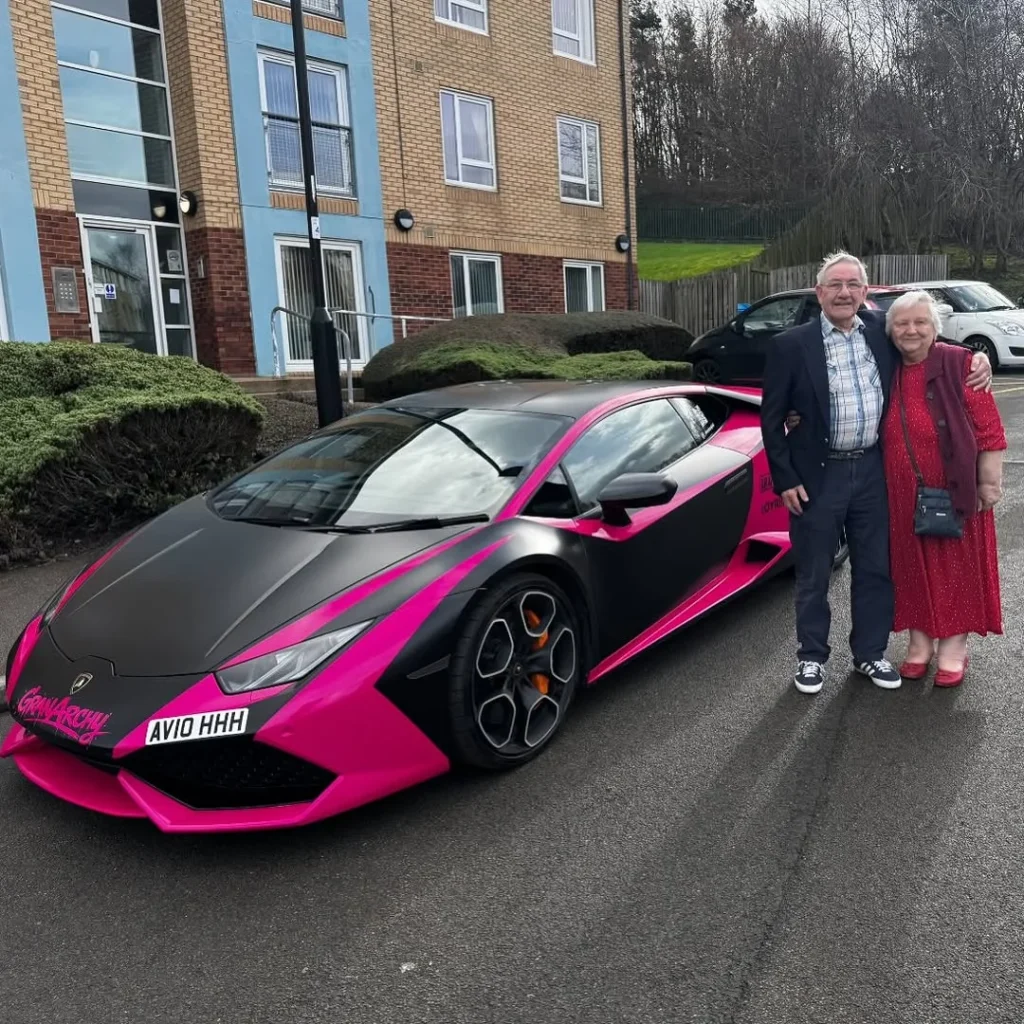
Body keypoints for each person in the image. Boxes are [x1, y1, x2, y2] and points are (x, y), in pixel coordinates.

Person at [760, 252, 992, 695]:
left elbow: (924, 341)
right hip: (816, 476)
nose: (844, 292)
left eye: (853, 284)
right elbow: (771, 420)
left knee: (875, 569)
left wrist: (974, 357)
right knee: (813, 572)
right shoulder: (790, 345)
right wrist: (786, 477)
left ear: (866, 293)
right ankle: (811, 658)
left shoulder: (882, 333)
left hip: (873, 471)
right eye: (835, 284)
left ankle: (869, 653)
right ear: (819, 292)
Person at [881, 290, 1005, 686]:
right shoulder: (888, 367)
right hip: (901, 492)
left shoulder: (961, 363)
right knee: (912, 565)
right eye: (901, 323)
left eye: (920, 322)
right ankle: (919, 643)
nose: (910, 330)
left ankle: (953, 649)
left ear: (936, 328)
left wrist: (989, 483)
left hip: (955, 490)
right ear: (890, 331)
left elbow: (989, 430)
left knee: (957, 568)